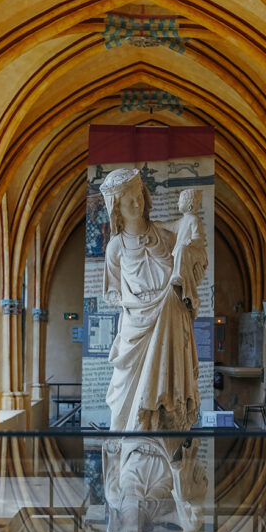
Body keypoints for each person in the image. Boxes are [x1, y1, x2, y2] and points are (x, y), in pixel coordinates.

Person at [99, 168, 207, 431]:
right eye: (129, 202)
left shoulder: (165, 233)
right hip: (136, 323)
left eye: (139, 196)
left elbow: (196, 260)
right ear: (117, 209)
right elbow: (112, 292)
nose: (137, 204)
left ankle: (165, 431)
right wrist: (137, 303)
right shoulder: (115, 247)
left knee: (169, 388)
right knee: (125, 396)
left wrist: (187, 244)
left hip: (171, 316)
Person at [168, 188, 208, 319]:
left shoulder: (195, 220)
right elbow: (170, 226)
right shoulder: (182, 221)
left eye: (180, 202)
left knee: (181, 250)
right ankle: (191, 299)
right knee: (179, 254)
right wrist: (155, 225)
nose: (177, 204)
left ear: (189, 205)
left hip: (196, 253)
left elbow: (198, 239)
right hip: (186, 253)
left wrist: (188, 242)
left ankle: (178, 276)